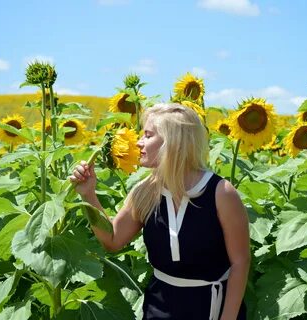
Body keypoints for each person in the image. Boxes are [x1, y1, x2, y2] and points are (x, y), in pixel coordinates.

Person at [70, 103, 250, 320]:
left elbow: (240, 262)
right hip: (159, 307)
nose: (139, 142)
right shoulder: (144, 191)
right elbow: (112, 239)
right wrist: (88, 196)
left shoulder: (220, 193)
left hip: (211, 307)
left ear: (174, 142)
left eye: (148, 135)